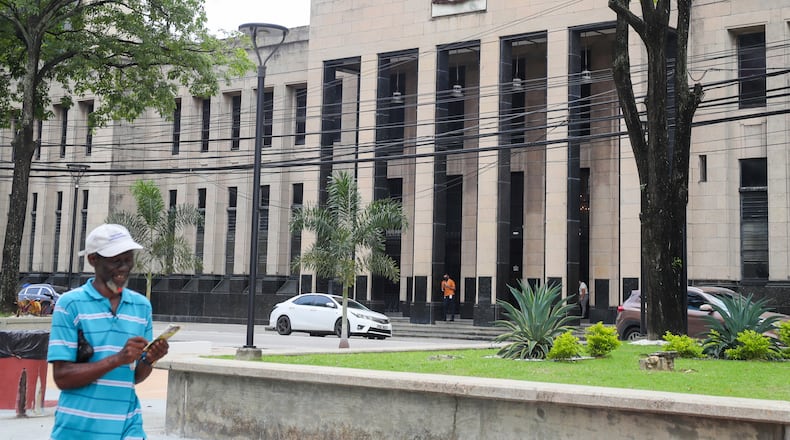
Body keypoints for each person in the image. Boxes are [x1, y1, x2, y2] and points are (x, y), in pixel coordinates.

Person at [47, 224, 170, 439]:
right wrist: (117, 359)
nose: (124, 267)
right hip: (78, 429)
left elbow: (133, 377)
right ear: (93, 259)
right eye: (116, 261)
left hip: (127, 426)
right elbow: (62, 377)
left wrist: (150, 359)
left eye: (128, 259)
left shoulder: (141, 307)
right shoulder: (70, 304)